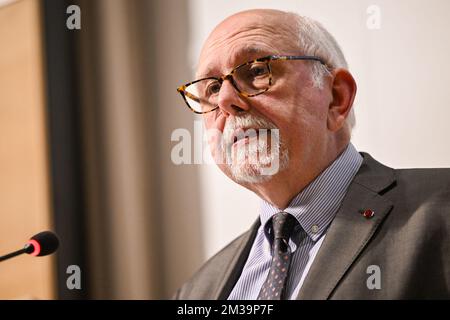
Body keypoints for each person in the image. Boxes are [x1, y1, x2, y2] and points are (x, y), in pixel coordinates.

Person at [173, 9, 450, 299]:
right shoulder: (196, 292)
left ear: (336, 98)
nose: (226, 100)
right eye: (213, 88)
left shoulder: (441, 211)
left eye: (256, 71)